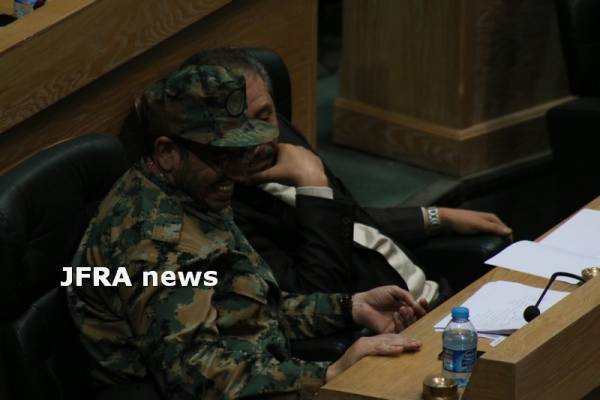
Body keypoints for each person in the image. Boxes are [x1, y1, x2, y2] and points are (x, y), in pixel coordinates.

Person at [68, 65, 428, 400]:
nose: (239, 173)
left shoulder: (190, 192)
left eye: (241, 152)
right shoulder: (157, 244)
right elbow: (197, 380)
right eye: (221, 158)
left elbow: (246, 308)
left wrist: (349, 307)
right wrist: (329, 373)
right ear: (167, 152)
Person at [181, 48, 513, 305]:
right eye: (239, 127)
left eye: (265, 116)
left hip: (437, 297)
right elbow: (317, 296)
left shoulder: (281, 134)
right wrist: (312, 185)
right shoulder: (222, 207)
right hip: (388, 329)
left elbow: (350, 221)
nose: (259, 137)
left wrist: (437, 217)